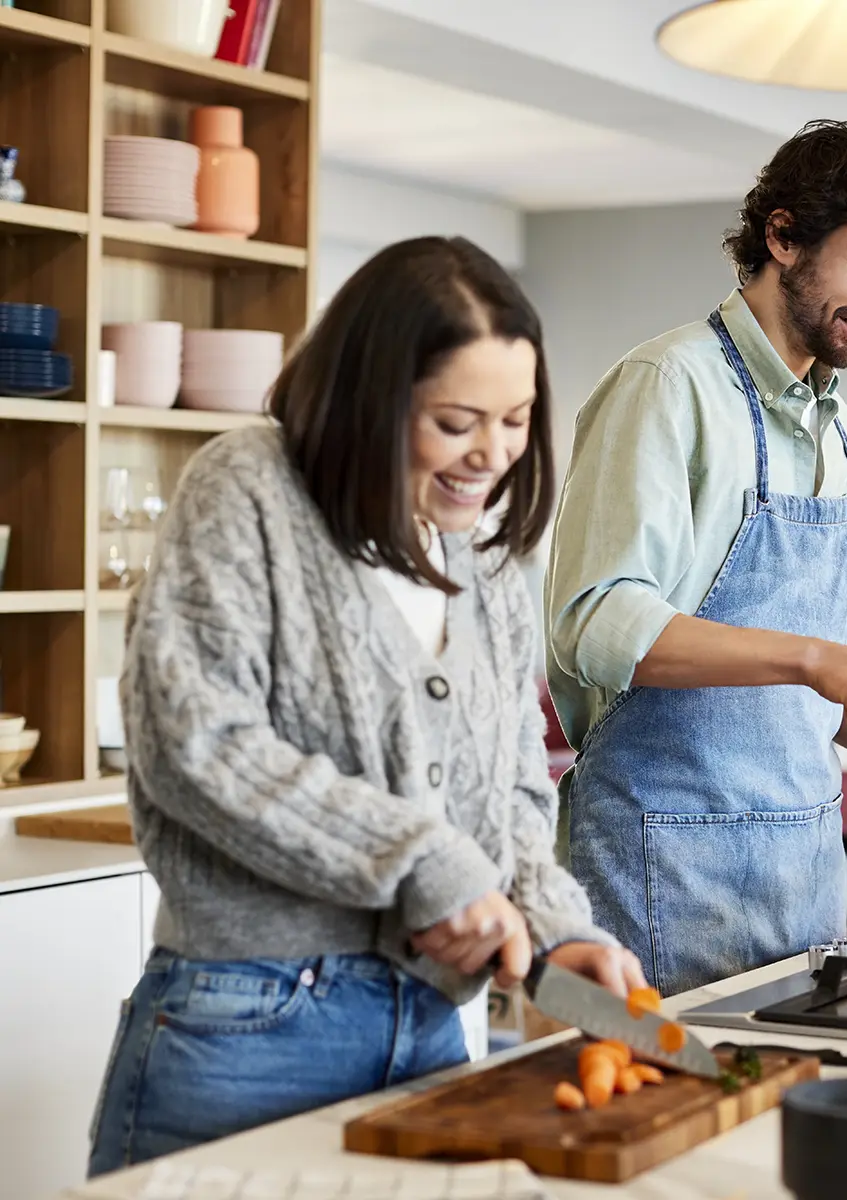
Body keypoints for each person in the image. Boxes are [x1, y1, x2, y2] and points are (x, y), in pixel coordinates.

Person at [88, 237, 643, 1175]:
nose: (493, 455)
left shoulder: (492, 557)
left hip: (429, 1029)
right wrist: (422, 861)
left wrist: (558, 928)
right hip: (244, 1029)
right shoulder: (248, 487)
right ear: (371, 397)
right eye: (458, 421)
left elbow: (513, 790)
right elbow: (197, 742)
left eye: (514, 420)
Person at [544, 120, 847, 998]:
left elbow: (819, 698)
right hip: (659, 862)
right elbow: (596, 622)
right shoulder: (669, 385)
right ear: (782, 236)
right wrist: (814, 655)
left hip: (802, 867)